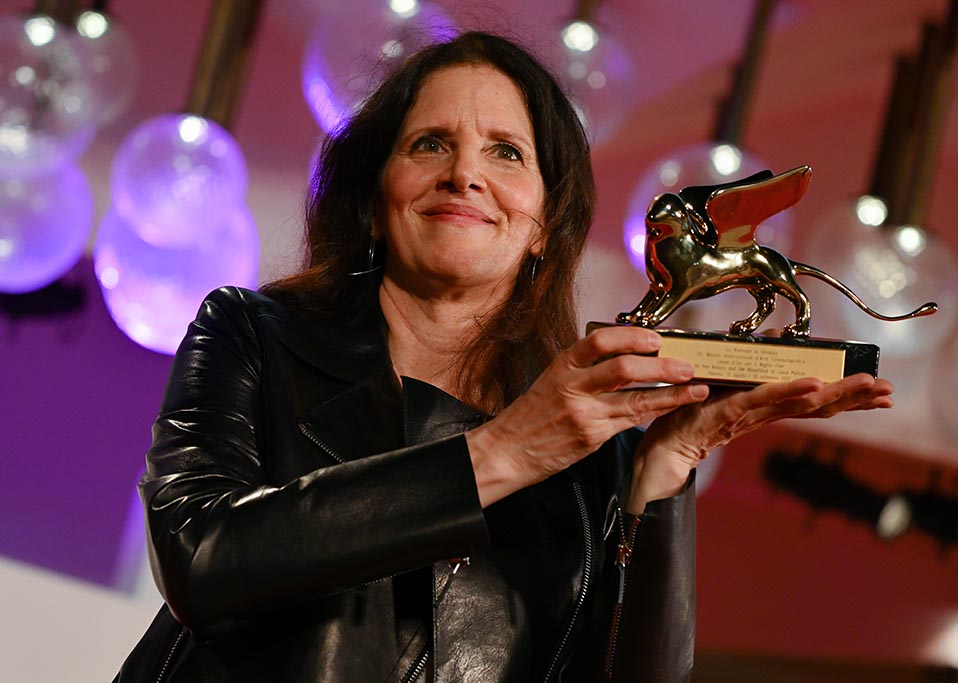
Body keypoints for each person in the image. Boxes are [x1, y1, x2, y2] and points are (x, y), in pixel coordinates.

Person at [115, 32, 893, 683]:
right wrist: (506, 451)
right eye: (430, 144)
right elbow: (199, 554)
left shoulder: (599, 450)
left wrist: (664, 476)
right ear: (375, 196)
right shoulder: (253, 333)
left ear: (544, 227)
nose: (466, 174)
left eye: (507, 153)